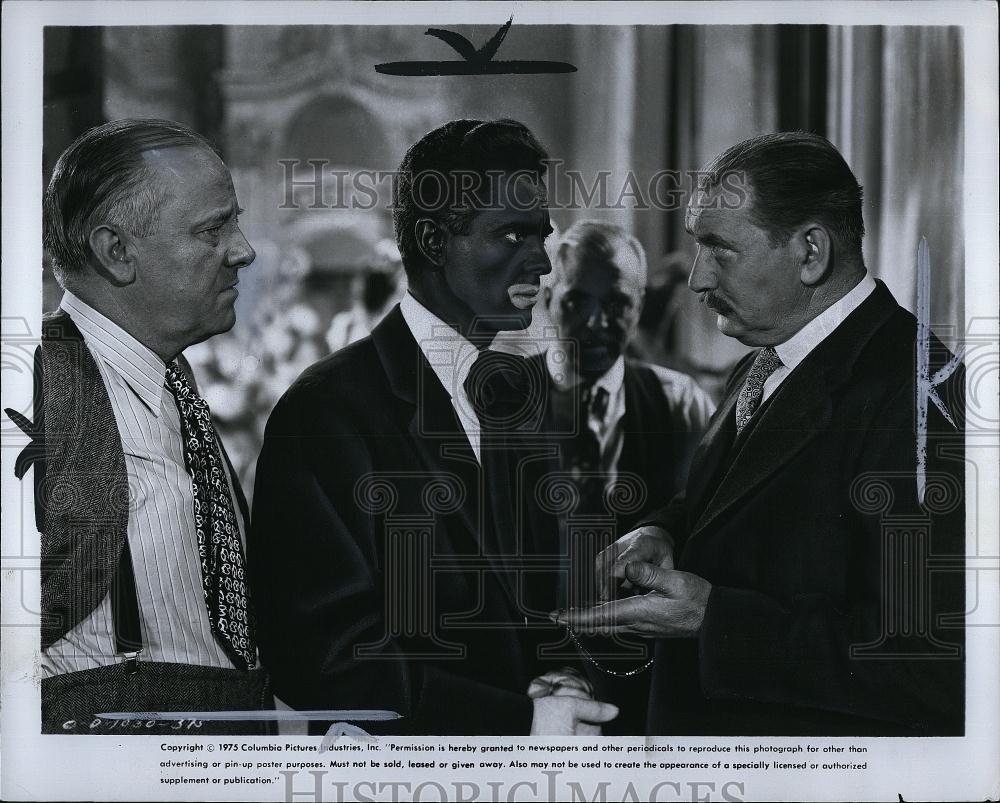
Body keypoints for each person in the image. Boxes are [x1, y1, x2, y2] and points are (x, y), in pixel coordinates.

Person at [557, 132, 965, 736]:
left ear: (810, 252)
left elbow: (929, 668)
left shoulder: (918, 394)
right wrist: (664, 529)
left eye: (719, 249)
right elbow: (730, 500)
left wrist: (714, 620)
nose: (697, 279)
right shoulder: (762, 362)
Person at [250, 119, 618, 736]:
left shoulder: (518, 400)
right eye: (512, 234)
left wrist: (567, 675)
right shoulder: (325, 410)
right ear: (432, 240)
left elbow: (542, 598)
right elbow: (319, 657)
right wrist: (519, 722)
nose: (541, 264)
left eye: (542, 236)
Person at [8, 118, 269, 734]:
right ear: (116, 252)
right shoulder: (27, 388)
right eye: (212, 229)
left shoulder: (170, 379)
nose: (243, 250)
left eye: (233, 222)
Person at [527, 220, 714, 734]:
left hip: (644, 681)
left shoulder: (682, 404)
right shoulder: (495, 402)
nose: (595, 322)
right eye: (577, 302)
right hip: (526, 675)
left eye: (616, 304)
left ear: (640, 306)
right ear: (549, 300)